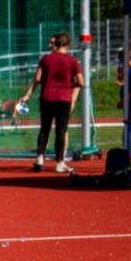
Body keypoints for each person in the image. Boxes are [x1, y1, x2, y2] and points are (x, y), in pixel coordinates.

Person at [18, 32, 85, 173]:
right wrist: (68, 84)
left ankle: (40, 158)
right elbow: (81, 82)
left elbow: (37, 78)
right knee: (61, 130)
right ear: (67, 45)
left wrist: (28, 94)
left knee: (44, 129)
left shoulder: (46, 59)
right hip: (63, 99)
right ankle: (59, 162)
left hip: (47, 98)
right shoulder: (72, 61)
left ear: (57, 44)